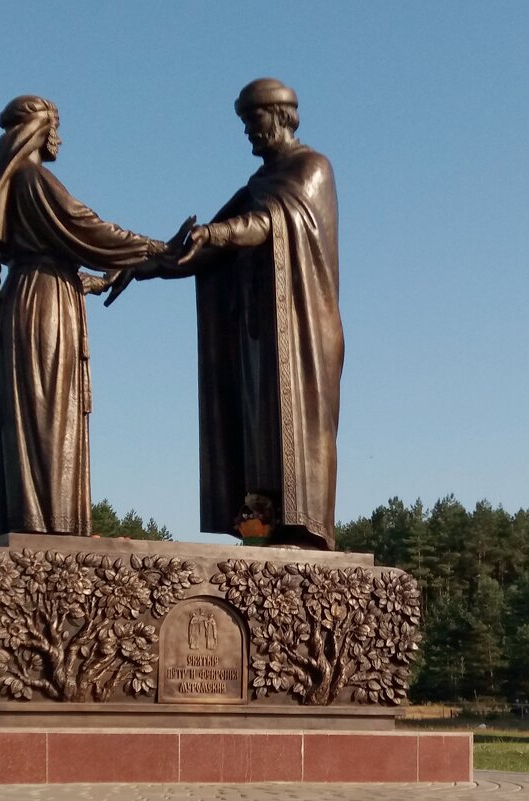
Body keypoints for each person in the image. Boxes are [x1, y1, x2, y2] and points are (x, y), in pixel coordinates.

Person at [0, 94, 189, 536]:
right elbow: (86, 226)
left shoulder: (18, 184)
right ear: (37, 131)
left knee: (38, 410)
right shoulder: (34, 180)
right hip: (45, 304)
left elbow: (64, 252)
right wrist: (156, 247)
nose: (59, 140)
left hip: (35, 294)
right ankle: (52, 524)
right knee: (49, 411)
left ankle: (40, 519)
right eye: (55, 129)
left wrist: (98, 280)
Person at [174, 78, 343, 550]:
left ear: (284, 116)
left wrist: (217, 234)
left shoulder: (311, 167)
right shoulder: (257, 184)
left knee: (301, 427)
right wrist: (135, 267)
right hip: (261, 331)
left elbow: (269, 222)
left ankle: (304, 530)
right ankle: (263, 523)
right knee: (260, 431)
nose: (249, 130)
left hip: (303, 331)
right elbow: (199, 246)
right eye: (244, 122)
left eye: (256, 119)